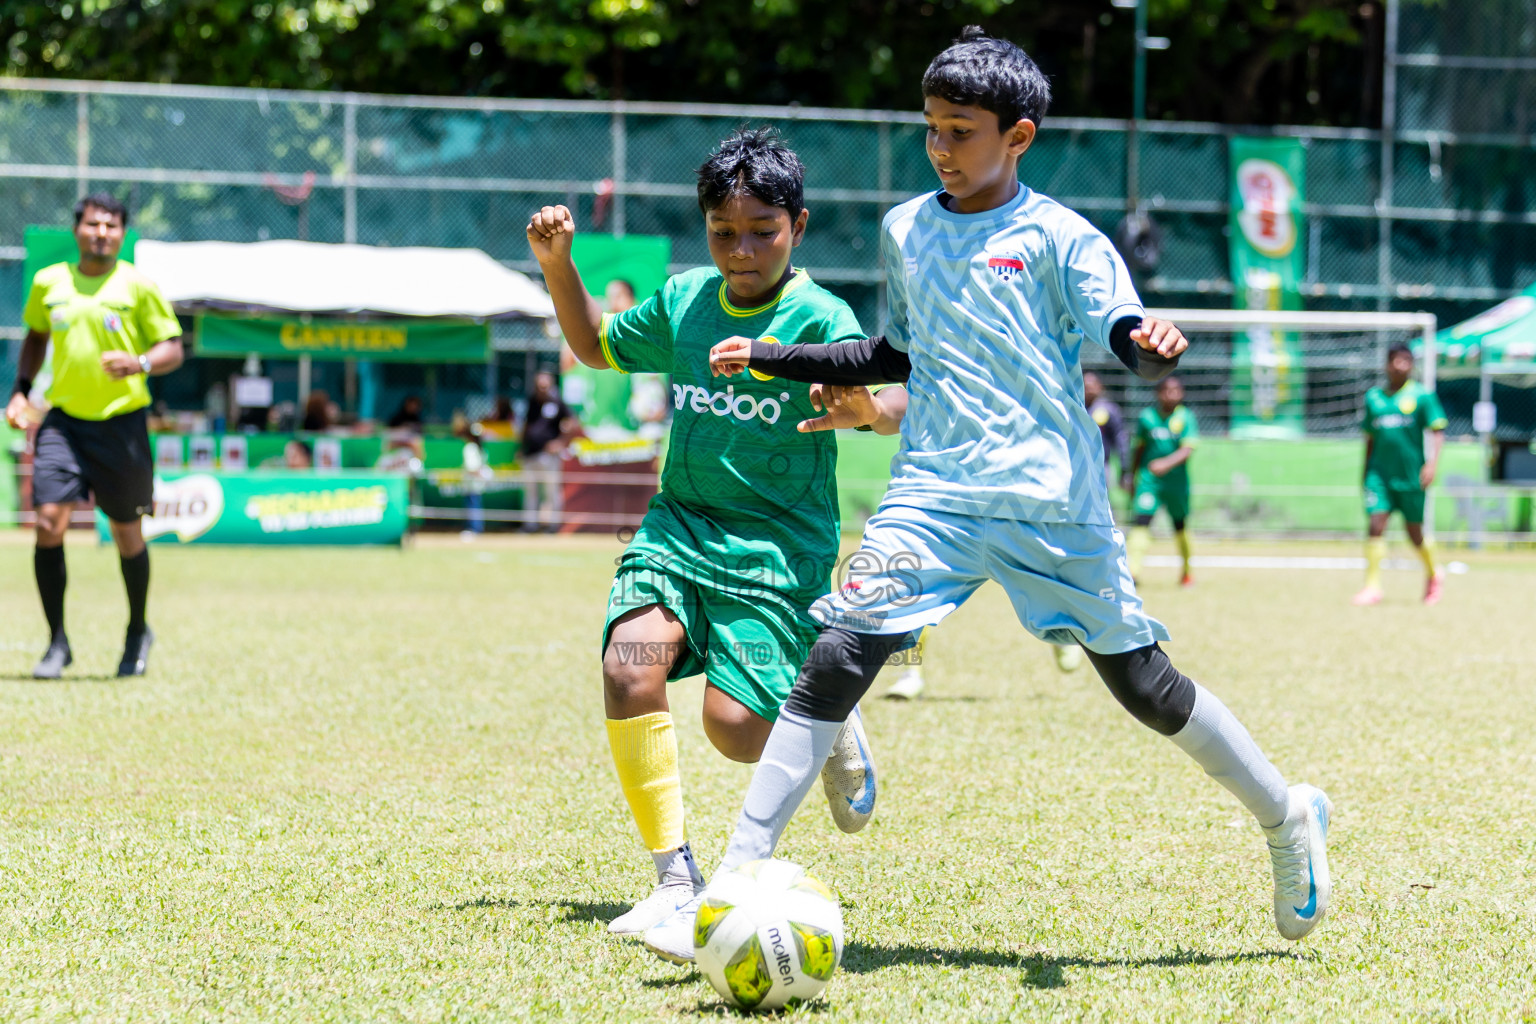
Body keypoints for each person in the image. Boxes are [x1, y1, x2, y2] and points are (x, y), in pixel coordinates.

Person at [643, 29, 1333, 961]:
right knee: (838, 656)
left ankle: (1287, 816)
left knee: (1146, 686)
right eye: (931, 127)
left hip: (1051, 503)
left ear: (1019, 136)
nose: (940, 147)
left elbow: (1122, 329)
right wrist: (774, 354)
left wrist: (1148, 346)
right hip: (932, 495)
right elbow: (893, 353)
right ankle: (734, 877)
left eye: (960, 131)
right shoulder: (906, 229)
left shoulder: (1060, 237)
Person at [527, 126, 903, 940]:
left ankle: (829, 716)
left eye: (762, 232)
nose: (741, 251)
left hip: (776, 551)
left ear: (798, 227)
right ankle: (674, 879)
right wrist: (559, 265)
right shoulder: (688, 301)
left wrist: (864, 410)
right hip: (680, 529)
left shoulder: (821, 316)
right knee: (628, 664)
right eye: (723, 232)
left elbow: (894, 397)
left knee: (734, 732)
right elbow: (593, 346)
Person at [5, 193, 185, 678]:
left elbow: (173, 347)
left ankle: (137, 631)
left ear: (122, 234)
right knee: (47, 522)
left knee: (126, 532)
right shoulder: (49, 282)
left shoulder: (138, 286)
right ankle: (57, 643)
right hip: (63, 421)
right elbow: (36, 337)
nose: (101, 233)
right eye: (92, 224)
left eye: (111, 225)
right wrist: (21, 391)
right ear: (77, 230)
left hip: (122, 424)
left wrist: (140, 362)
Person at [1353, 343, 1447, 606]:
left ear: (1412, 365)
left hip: (1410, 476)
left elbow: (1437, 431)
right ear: (1387, 364)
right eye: (1395, 359)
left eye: (1406, 360)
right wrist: (1365, 471)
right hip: (1379, 475)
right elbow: (1370, 439)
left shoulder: (1422, 396)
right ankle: (1372, 587)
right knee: (1375, 524)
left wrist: (1432, 464)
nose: (1400, 365)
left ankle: (1434, 573)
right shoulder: (1374, 398)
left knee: (1414, 532)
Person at [1126, 376, 1198, 586]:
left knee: (1180, 526)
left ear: (1182, 393)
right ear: (1158, 393)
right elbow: (1138, 449)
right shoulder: (1147, 417)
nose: (1170, 394)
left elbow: (1187, 450)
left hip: (1176, 484)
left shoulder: (1185, 417)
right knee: (1141, 522)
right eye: (1166, 390)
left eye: (1175, 390)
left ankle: (1187, 572)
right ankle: (1132, 573)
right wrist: (1132, 476)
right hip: (1149, 481)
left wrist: (1165, 464)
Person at [518, 371, 577, 532]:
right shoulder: (531, 401)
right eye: (539, 387)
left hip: (549, 456)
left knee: (551, 491)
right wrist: (521, 447)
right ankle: (529, 525)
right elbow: (526, 426)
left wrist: (560, 442)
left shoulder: (557, 402)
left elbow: (572, 423)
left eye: (545, 387)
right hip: (531, 453)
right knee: (530, 491)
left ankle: (553, 526)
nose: (542, 390)